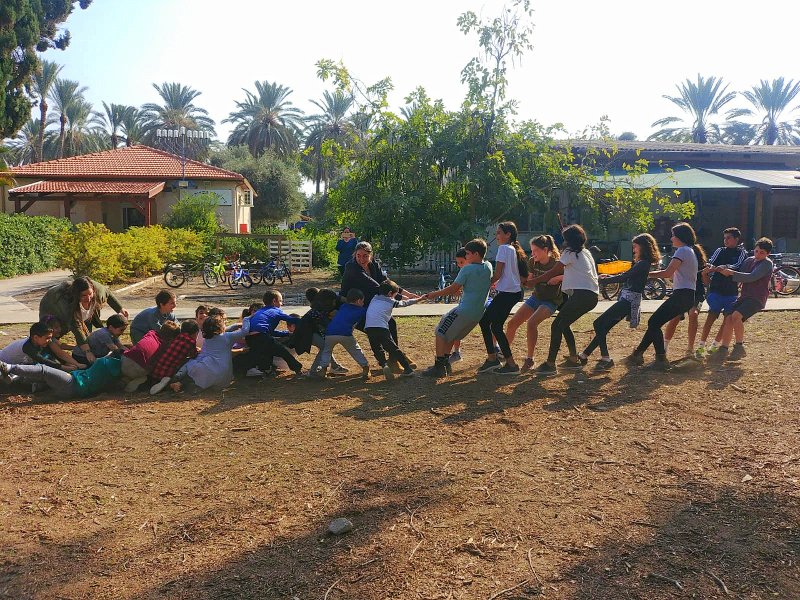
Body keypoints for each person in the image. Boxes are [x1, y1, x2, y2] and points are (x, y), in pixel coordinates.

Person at [578, 233, 661, 370]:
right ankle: (584, 355)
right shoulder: (641, 263)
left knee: (598, 323)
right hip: (627, 300)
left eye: (635, 247)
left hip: (628, 301)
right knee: (603, 327)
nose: (634, 250)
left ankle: (605, 358)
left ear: (643, 247)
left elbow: (624, 277)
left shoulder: (643, 264)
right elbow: (627, 276)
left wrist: (604, 279)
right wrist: (608, 276)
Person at [626, 222, 701, 369]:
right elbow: (672, 274)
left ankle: (660, 359)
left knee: (653, 322)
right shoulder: (689, 251)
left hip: (682, 295)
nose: (671, 238)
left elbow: (667, 273)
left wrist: (644, 274)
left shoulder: (682, 251)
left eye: (673, 235)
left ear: (680, 237)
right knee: (655, 323)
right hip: (686, 295)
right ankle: (638, 354)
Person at [529, 224, 599, 376]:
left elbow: (553, 271)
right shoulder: (585, 252)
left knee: (556, 325)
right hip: (592, 296)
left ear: (569, 240)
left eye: (565, 239)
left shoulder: (569, 252)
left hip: (582, 295)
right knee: (564, 324)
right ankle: (573, 359)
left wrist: (533, 282)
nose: (563, 241)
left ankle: (550, 364)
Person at [422, 238, 492, 378]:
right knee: (450, 335)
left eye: (467, 254)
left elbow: (453, 288)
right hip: (477, 314)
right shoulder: (488, 266)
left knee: (440, 331)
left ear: (476, 254)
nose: (465, 257)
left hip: (464, 311)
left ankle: (439, 366)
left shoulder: (467, 269)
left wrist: (434, 294)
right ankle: (446, 363)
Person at [707, 237, 774, 363]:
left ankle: (739, 347)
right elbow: (739, 273)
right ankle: (723, 349)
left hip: (757, 298)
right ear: (754, 249)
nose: (758, 255)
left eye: (762, 253)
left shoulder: (767, 264)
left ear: (768, 254)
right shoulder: (749, 260)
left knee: (736, 316)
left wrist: (731, 273)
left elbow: (752, 277)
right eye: (757, 251)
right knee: (728, 318)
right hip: (744, 296)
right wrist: (723, 268)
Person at [505, 235, 564, 373]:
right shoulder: (532, 262)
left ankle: (529, 359)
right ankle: (504, 354)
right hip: (536, 298)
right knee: (512, 323)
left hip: (551, 301)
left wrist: (558, 278)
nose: (533, 254)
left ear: (545, 250)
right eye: (531, 250)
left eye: (535, 250)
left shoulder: (557, 263)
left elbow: (570, 275)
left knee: (531, 323)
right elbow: (529, 282)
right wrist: (520, 280)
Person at [341, 241, 418, 345]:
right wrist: (400, 297)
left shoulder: (374, 264)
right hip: (354, 304)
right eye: (358, 256)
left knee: (391, 323)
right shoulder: (351, 267)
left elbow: (385, 282)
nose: (361, 259)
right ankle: (393, 355)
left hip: (370, 302)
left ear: (370, 255)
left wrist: (408, 294)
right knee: (376, 331)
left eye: (365, 256)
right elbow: (374, 285)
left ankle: (394, 356)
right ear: (355, 254)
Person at [39, 276, 128, 364]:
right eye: (83, 295)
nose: (88, 298)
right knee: (53, 336)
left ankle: (80, 351)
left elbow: (108, 293)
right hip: (53, 307)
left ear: (93, 290)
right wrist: (87, 352)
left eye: (90, 294)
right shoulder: (66, 303)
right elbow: (76, 327)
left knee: (86, 335)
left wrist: (120, 309)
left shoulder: (98, 291)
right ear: (76, 295)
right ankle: (53, 359)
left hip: (78, 313)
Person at [477, 222, 528, 375]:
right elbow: (507, 274)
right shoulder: (512, 248)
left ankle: (498, 360)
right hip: (512, 291)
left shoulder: (503, 249)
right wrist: (497, 283)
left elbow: (498, 274)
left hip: (508, 293)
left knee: (485, 321)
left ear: (508, 235)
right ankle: (503, 361)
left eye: (499, 233)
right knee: (495, 326)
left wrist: (484, 284)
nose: (496, 236)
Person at [695, 228, 748, 358]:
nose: (726, 240)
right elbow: (710, 263)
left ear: (736, 239)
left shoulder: (741, 252)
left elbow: (738, 265)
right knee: (710, 318)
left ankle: (714, 345)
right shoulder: (720, 250)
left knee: (727, 320)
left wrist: (725, 267)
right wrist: (711, 269)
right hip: (716, 290)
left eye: (729, 238)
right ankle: (701, 346)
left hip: (731, 292)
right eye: (725, 238)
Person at [168, 313, 250, 392]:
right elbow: (245, 331)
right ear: (220, 327)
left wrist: (236, 325)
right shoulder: (228, 337)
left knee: (192, 365)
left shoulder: (208, 338)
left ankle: (179, 380)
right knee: (202, 369)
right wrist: (246, 319)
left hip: (209, 371)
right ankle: (186, 384)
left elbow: (224, 332)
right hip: (224, 378)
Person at [364, 280, 422, 380]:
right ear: (390, 293)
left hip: (369, 328)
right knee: (393, 349)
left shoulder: (374, 298)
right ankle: (407, 369)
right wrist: (419, 299)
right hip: (382, 328)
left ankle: (384, 365)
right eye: (395, 294)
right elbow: (404, 303)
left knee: (377, 348)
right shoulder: (390, 301)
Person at [1, 354, 121, 400]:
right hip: (75, 391)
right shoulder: (117, 373)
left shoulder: (106, 362)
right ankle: (14, 380)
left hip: (72, 383)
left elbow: (99, 360)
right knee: (45, 379)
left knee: (44, 370)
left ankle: (9, 368)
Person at [663, 242, 708, 357]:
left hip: (696, 292)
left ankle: (690, 349)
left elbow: (707, 282)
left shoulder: (700, 263)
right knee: (675, 317)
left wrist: (705, 274)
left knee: (693, 314)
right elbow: (671, 275)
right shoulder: (680, 259)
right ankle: (664, 347)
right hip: (682, 291)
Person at [314, 288, 371, 379]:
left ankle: (323, 368)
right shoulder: (362, 310)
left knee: (327, 350)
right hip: (345, 333)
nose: (363, 303)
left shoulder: (343, 306)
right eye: (362, 301)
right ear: (359, 300)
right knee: (355, 350)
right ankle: (365, 367)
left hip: (330, 332)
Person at [244, 290, 304, 377]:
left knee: (268, 351)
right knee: (283, 351)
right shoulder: (275, 310)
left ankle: (263, 369)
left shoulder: (260, 312)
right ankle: (298, 369)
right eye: (280, 301)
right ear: (274, 301)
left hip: (250, 338)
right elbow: (291, 320)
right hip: (261, 336)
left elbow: (271, 332)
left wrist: (286, 333)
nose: (281, 304)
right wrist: (305, 323)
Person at [121, 321, 180, 392]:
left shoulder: (151, 333)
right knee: (149, 369)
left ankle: (124, 379)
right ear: (171, 338)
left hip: (124, 363)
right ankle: (140, 379)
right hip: (141, 370)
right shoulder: (165, 347)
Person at [149, 320, 201, 394]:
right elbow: (194, 355)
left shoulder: (178, 337)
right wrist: (198, 350)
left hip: (156, 372)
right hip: (168, 373)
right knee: (189, 363)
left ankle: (159, 383)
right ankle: (169, 384)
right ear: (195, 333)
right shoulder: (191, 342)